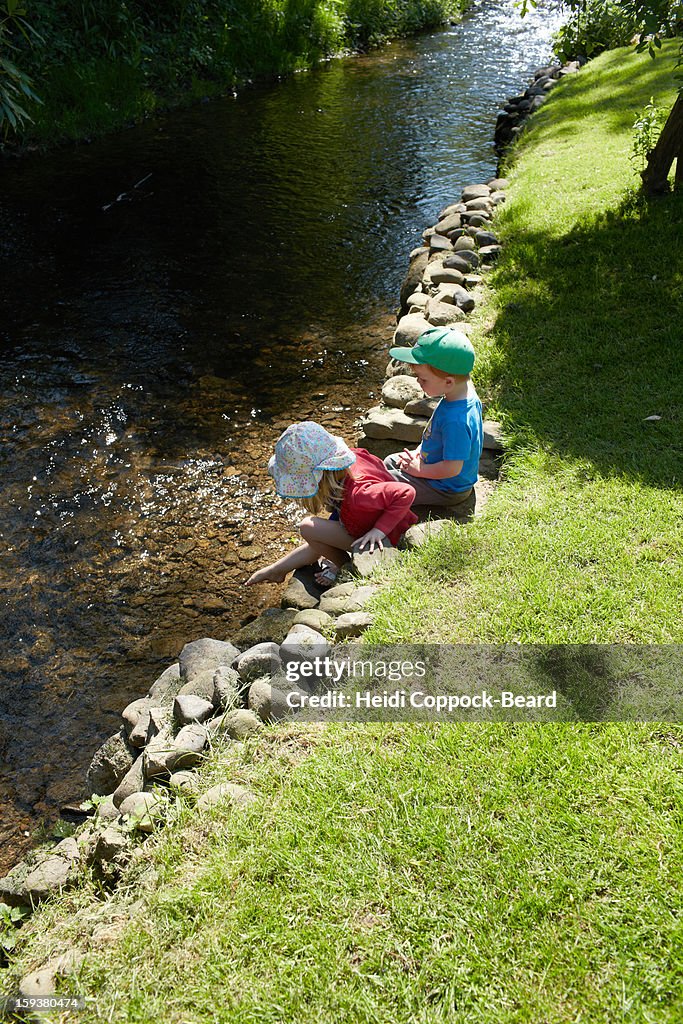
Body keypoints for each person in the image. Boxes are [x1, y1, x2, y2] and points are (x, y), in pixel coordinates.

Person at [247, 421, 418, 587]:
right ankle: (277, 570)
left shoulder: (359, 494)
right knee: (318, 537)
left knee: (308, 528)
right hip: (362, 521)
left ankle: (345, 567)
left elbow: (405, 492)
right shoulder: (351, 460)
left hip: (389, 538)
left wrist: (379, 531)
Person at [383, 326, 483, 510]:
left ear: (448, 382)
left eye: (423, 378)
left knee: (385, 485)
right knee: (389, 461)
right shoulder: (461, 392)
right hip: (434, 468)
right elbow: (434, 437)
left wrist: (418, 470)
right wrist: (418, 453)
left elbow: (452, 469)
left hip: (446, 488)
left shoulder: (457, 420)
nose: (418, 382)